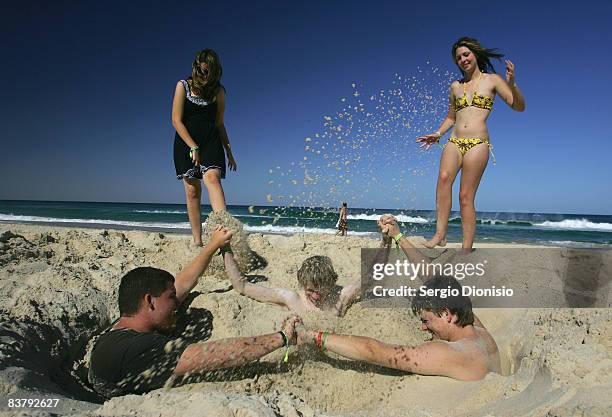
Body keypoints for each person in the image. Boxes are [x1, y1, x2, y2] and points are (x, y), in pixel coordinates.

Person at [88, 225, 299, 398]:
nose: (176, 305)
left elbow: (183, 282)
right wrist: (282, 338)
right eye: (171, 298)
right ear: (150, 301)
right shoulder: (137, 349)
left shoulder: (127, 322)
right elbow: (214, 355)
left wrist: (214, 244)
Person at [296, 214, 500, 381]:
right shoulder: (478, 331)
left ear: (447, 314)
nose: (423, 327)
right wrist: (398, 235)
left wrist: (313, 335)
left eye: (426, 320)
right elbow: (433, 278)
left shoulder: (450, 353)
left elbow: (374, 351)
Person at [417, 37, 525, 250]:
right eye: (458, 58)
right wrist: (438, 133)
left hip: (478, 143)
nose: (463, 59)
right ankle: (440, 234)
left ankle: (466, 247)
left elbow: (518, 106)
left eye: (466, 54)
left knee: (465, 196)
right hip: (454, 140)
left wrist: (512, 84)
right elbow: (451, 116)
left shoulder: (492, 80)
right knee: (443, 179)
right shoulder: (455, 86)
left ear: (475, 54)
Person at [172, 49, 238, 247]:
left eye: (208, 72)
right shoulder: (182, 86)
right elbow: (176, 120)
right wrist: (193, 146)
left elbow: (220, 124)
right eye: (201, 71)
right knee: (193, 192)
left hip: (211, 140)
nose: (204, 75)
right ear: (196, 68)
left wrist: (229, 151)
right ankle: (198, 241)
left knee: (212, 179)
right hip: (186, 140)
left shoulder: (219, 92)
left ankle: (223, 235)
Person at [223, 237, 360, 316]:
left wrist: (383, 239)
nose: (315, 297)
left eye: (320, 291)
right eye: (310, 290)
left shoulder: (341, 296)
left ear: (331, 284)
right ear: (303, 284)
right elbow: (242, 286)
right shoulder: (292, 299)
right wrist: (225, 248)